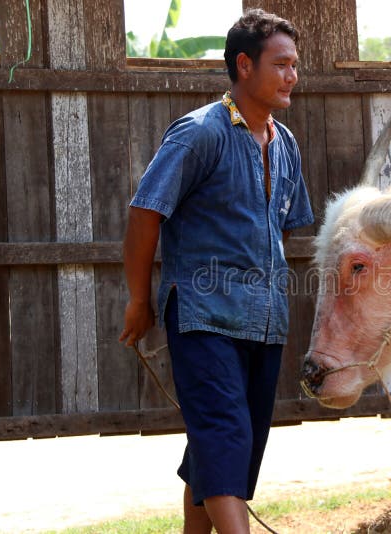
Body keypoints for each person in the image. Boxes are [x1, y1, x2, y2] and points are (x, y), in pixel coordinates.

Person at [119, 9, 313, 533]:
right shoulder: (200, 132)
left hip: (265, 322)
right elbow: (145, 213)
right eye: (282, 64)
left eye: (295, 65)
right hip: (203, 317)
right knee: (226, 437)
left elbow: (281, 230)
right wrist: (141, 301)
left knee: (229, 445)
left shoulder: (286, 144)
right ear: (244, 66)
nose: (292, 75)